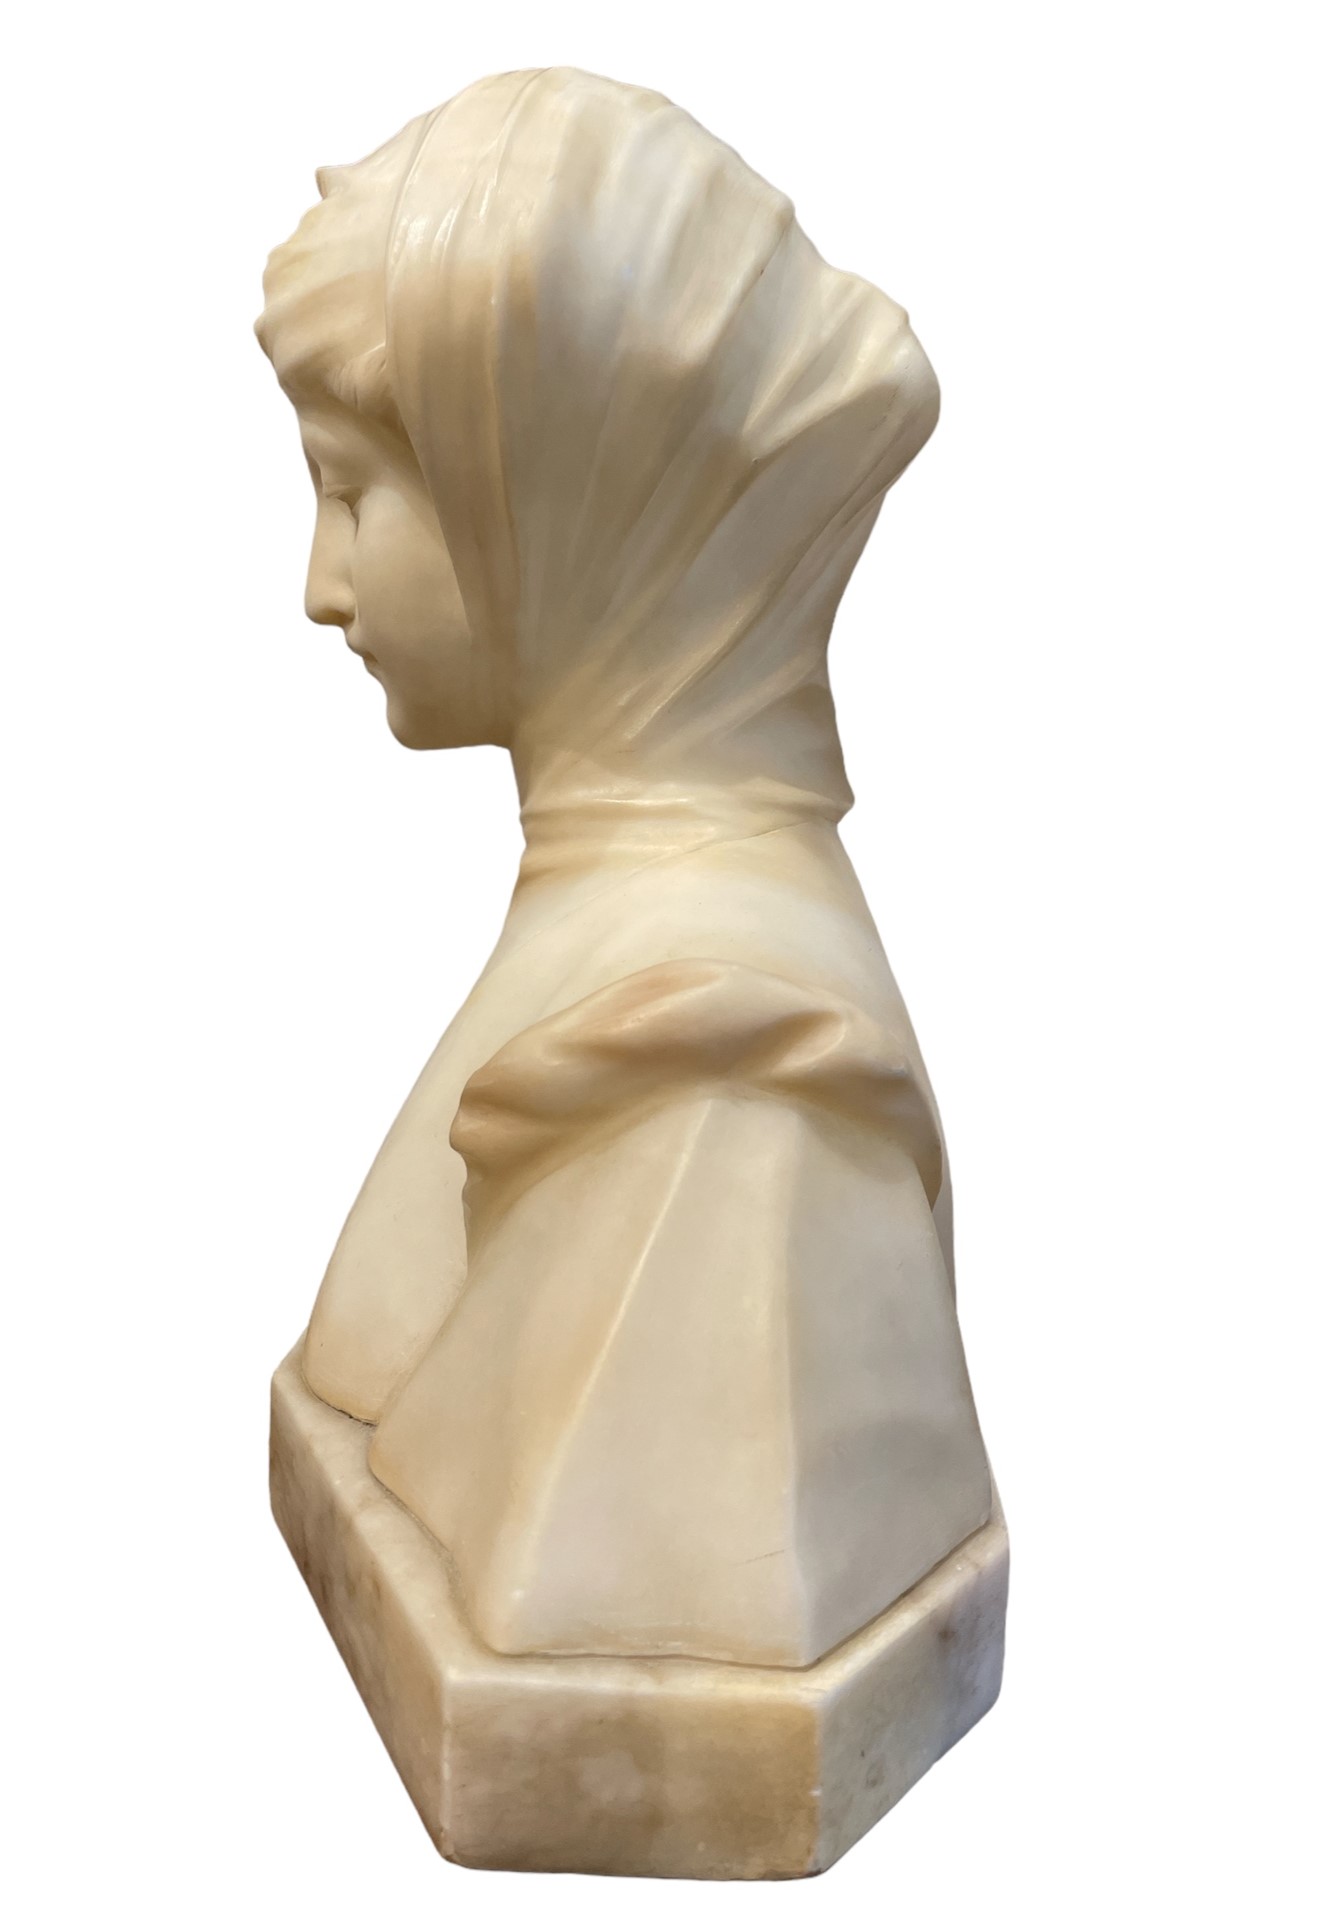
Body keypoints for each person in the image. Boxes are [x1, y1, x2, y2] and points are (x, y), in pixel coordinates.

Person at [257, 68, 993, 1669]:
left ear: (554, 505)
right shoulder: (607, 949)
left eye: (354, 489)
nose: (318, 586)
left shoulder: (720, 1097)